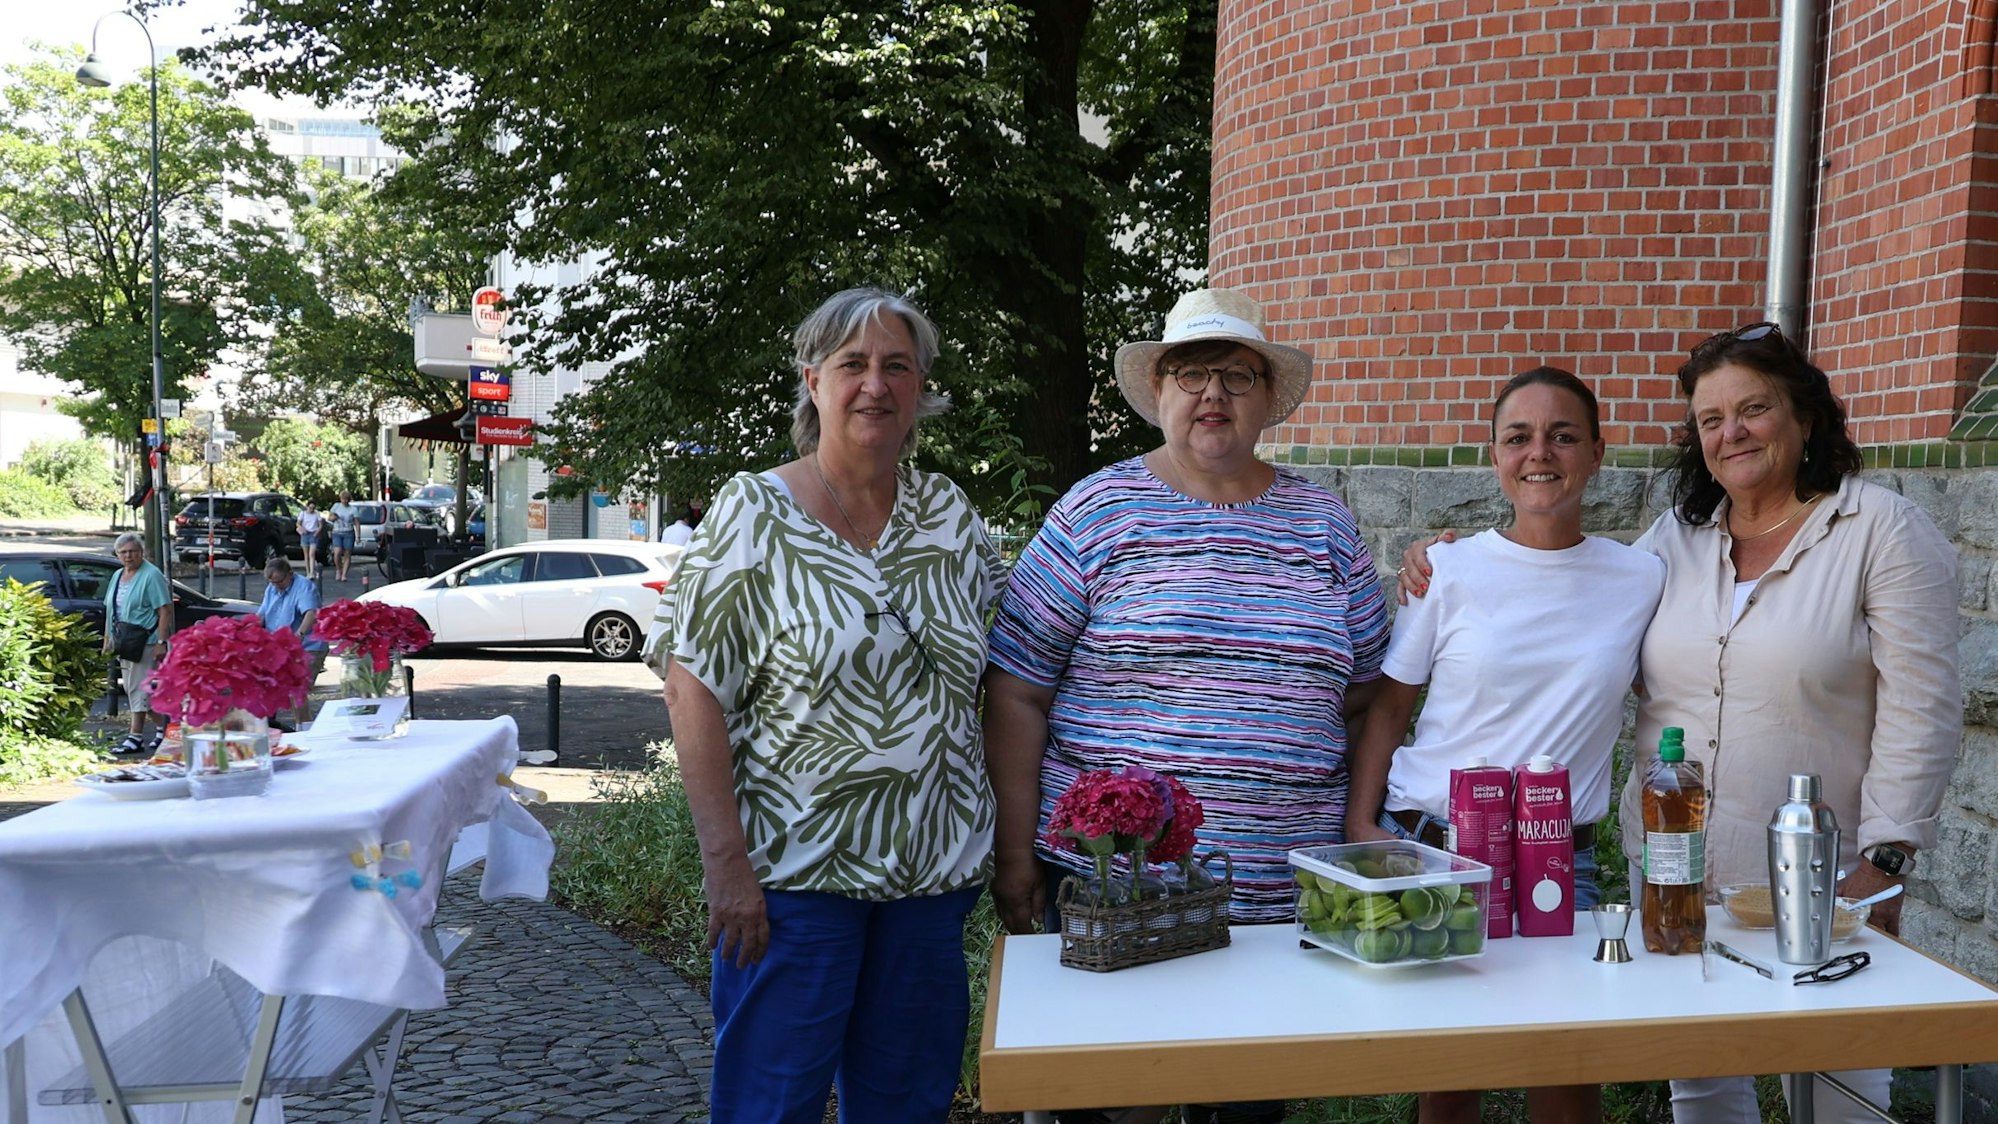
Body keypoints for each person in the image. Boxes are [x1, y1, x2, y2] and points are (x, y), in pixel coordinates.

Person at [1400, 323, 1959, 1124]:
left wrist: (1887, 858)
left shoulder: (1880, 530)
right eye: (1710, 420)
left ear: (1804, 416)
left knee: (1845, 1085)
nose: (1731, 433)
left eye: (1753, 409)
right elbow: (1567, 608)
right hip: (1673, 866)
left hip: (1821, 875)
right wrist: (1449, 561)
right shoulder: (1675, 543)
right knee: (1700, 1078)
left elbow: (1925, 706)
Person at [983, 287, 1388, 1124]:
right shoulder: (1095, 512)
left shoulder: (1325, 525)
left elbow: (1367, 691)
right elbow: (1017, 690)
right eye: (1192, 373)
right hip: (1114, 889)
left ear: (1268, 399)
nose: (1214, 395)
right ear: (1160, 392)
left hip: (1276, 893)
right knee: (1105, 1104)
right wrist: (1016, 853)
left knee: (1244, 1111)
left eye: (1237, 377)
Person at [661, 288, 1006, 1124]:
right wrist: (726, 867)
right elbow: (692, 685)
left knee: (907, 1106)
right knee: (770, 1105)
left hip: (930, 880)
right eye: (853, 364)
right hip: (793, 881)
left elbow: (1006, 674)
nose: (875, 385)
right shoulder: (754, 510)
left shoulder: (950, 515)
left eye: (897, 366)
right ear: (813, 382)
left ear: (922, 388)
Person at [1347, 368, 1665, 1124]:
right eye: (1518, 437)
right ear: (1494, 456)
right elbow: (1392, 707)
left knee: (1565, 1071)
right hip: (1438, 851)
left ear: (1596, 454)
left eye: (1563, 435)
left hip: (1562, 856)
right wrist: (1361, 826)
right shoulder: (1447, 569)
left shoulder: (1642, 576)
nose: (1539, 453)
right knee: (1453, 1078)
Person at [102, 533, 174, 755]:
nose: (128, 556)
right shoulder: (117, 575)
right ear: (117, 554)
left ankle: (136, 737)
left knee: (139, 689)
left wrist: (162, 642)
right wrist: (107, 640)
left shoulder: (152, 575)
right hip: (125, 640)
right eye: (123, 552)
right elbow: (111, 610)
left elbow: (165, 609)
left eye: (132, 551)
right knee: (142, 690)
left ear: (141, 552)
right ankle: (167, 729)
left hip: (146, 641)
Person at [257, 557, 327, 726]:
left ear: (290, 574)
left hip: (309, 646)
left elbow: (311, 613)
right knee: (280, 689)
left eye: (279, 582)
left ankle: (305, 730)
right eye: (272, 582)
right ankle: (298, 727)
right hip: (280, 648)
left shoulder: (304, 586)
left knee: (297, 690)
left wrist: (299, 634)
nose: (276, 586)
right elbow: (262, 615)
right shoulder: (272, 588)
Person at [329, 492, 357, 581]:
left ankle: (344, 574)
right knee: (337, 552)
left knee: (347, 553)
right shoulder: (336, 506)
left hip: (349, 533)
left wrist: (359, 536)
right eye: (343, 499)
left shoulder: (353, 509)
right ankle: (338, 569)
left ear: (349, 500)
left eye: (346, 499)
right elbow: (329, 518)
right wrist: (334, 517)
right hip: (337, 532)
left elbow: (357, 522)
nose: (344, 501)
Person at [297, 501, 324, 579]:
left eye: (313, 508)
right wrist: (302, 529)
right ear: (307, 507)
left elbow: (320, 525)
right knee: (306, 554)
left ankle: (312, 572)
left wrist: (316, 533)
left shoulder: (317, 514)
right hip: (305, 534)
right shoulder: (303, 514)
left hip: (313, 533)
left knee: (312, 553)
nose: (312, 510)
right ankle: (308, 572)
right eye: (310, 508)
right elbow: (298, 523)